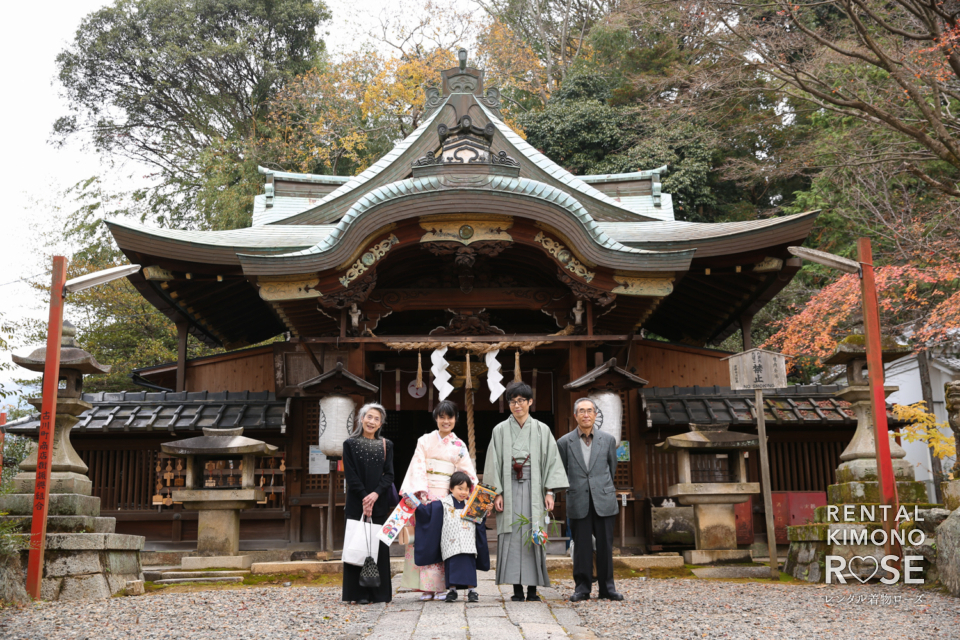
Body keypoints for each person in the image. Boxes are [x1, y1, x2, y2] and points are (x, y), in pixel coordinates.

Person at [483, 381, 569, 601]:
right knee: (511, 536)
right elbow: (493, 463)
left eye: (521, 400)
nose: (517, 405)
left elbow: (551, 461)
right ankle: (517, 590)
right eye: (512, 401)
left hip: (535, 488)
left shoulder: (542, 429)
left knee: (534, 533)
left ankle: (532, 588)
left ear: (530, 402)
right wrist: (496, 494)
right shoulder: (500, 430)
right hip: (508, 488)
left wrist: (550, 491)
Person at [398, 400, 478, 600]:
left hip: (448, 499)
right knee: (425, 540)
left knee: (445, 542)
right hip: (426, 497)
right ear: (436, 418)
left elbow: (467, 473)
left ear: (455, 420)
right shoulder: (424, 440)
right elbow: (417, 466)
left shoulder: (459, 445)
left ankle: (443, 586)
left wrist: (465, 495)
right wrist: (422, 493)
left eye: (449, 417)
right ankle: (425, 587)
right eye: (441, 417)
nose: (445, 421)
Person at [556, 397, 624, 602]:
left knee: (605, 546)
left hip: (603, 499)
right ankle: (582, 588)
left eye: (590, 411)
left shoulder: (608, 440)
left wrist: (599, 487)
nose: (586, 415)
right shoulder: (564, 442)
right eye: (581, 411)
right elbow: (562, 471)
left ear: (595, 415)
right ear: (575, 415)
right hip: (578, 500)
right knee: (582, 548)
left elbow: (611, 469)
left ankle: (607, 588)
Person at [341, 402, 395, 605]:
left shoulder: (386, 445)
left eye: (376, 419)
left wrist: (374, 495)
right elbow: (350, 475)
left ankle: (379, 594)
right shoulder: (350, 444)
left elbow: (389, 475)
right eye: (369, 417)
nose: (372, 421)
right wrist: (364, 496)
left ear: (381, 423)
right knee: (358, 545)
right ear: (361, 418)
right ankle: (358, 594)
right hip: (356, 503)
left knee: (378, 548)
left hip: (378, 503)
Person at [409, 471, 491, 603]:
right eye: (460, 488)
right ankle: (452, 590)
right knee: (452, 566)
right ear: (451, 488)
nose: (463, 492)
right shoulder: (443, 504)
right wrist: (415, 503)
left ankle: (472, 591)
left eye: (466, 489)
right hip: (450, 543)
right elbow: (427, 512)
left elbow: (480, 521)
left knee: (468, 566)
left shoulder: (471, 505)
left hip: (467, 542)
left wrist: (485, 509)